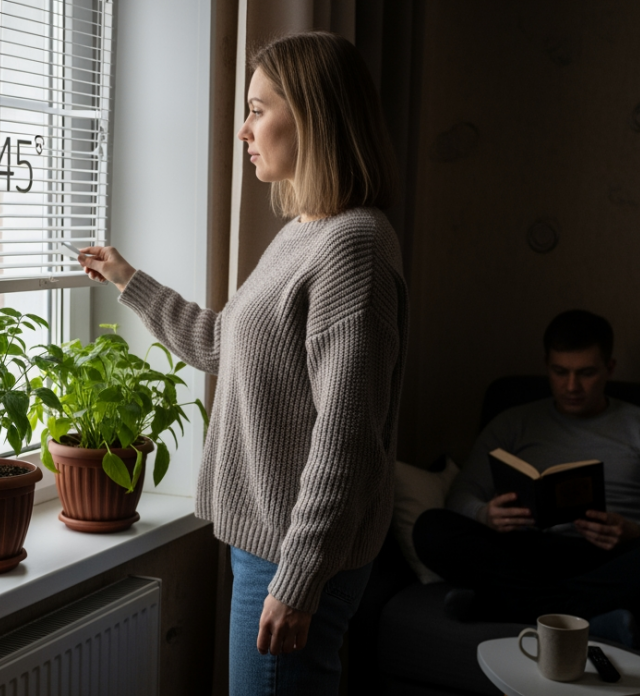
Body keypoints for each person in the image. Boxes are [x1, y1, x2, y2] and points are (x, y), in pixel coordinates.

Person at [76, 32, 408, 695]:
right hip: (267, 544)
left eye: (258, 109)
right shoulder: (304, 234)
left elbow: (345, 442)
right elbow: (222, 346)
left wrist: (299, 577)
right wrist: (128, 280)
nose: (242, 130)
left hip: (292, 552)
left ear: (311, 116)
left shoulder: (352, 248)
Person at [412, 310, 640, 647]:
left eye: (586, 373)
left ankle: (503, 605)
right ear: (546, 365)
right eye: (559, 372)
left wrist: (634, 531)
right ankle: (591, 617)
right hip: (524, 555)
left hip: (609, 560)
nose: (571, 386)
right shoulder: (513, 423)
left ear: (609, 368)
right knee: (430, 527)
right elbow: (461, 495)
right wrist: (486, 514)